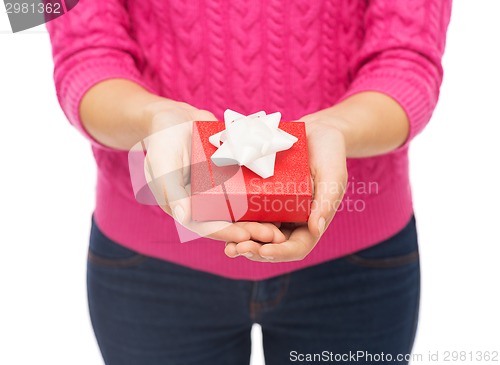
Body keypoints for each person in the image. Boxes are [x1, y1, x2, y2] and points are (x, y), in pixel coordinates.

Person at [46, 1, 451, 364]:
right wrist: (152, 117)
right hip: (147, 261)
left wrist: (338, 128)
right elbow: (82, 54)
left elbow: (408, 60)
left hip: (358, 260)